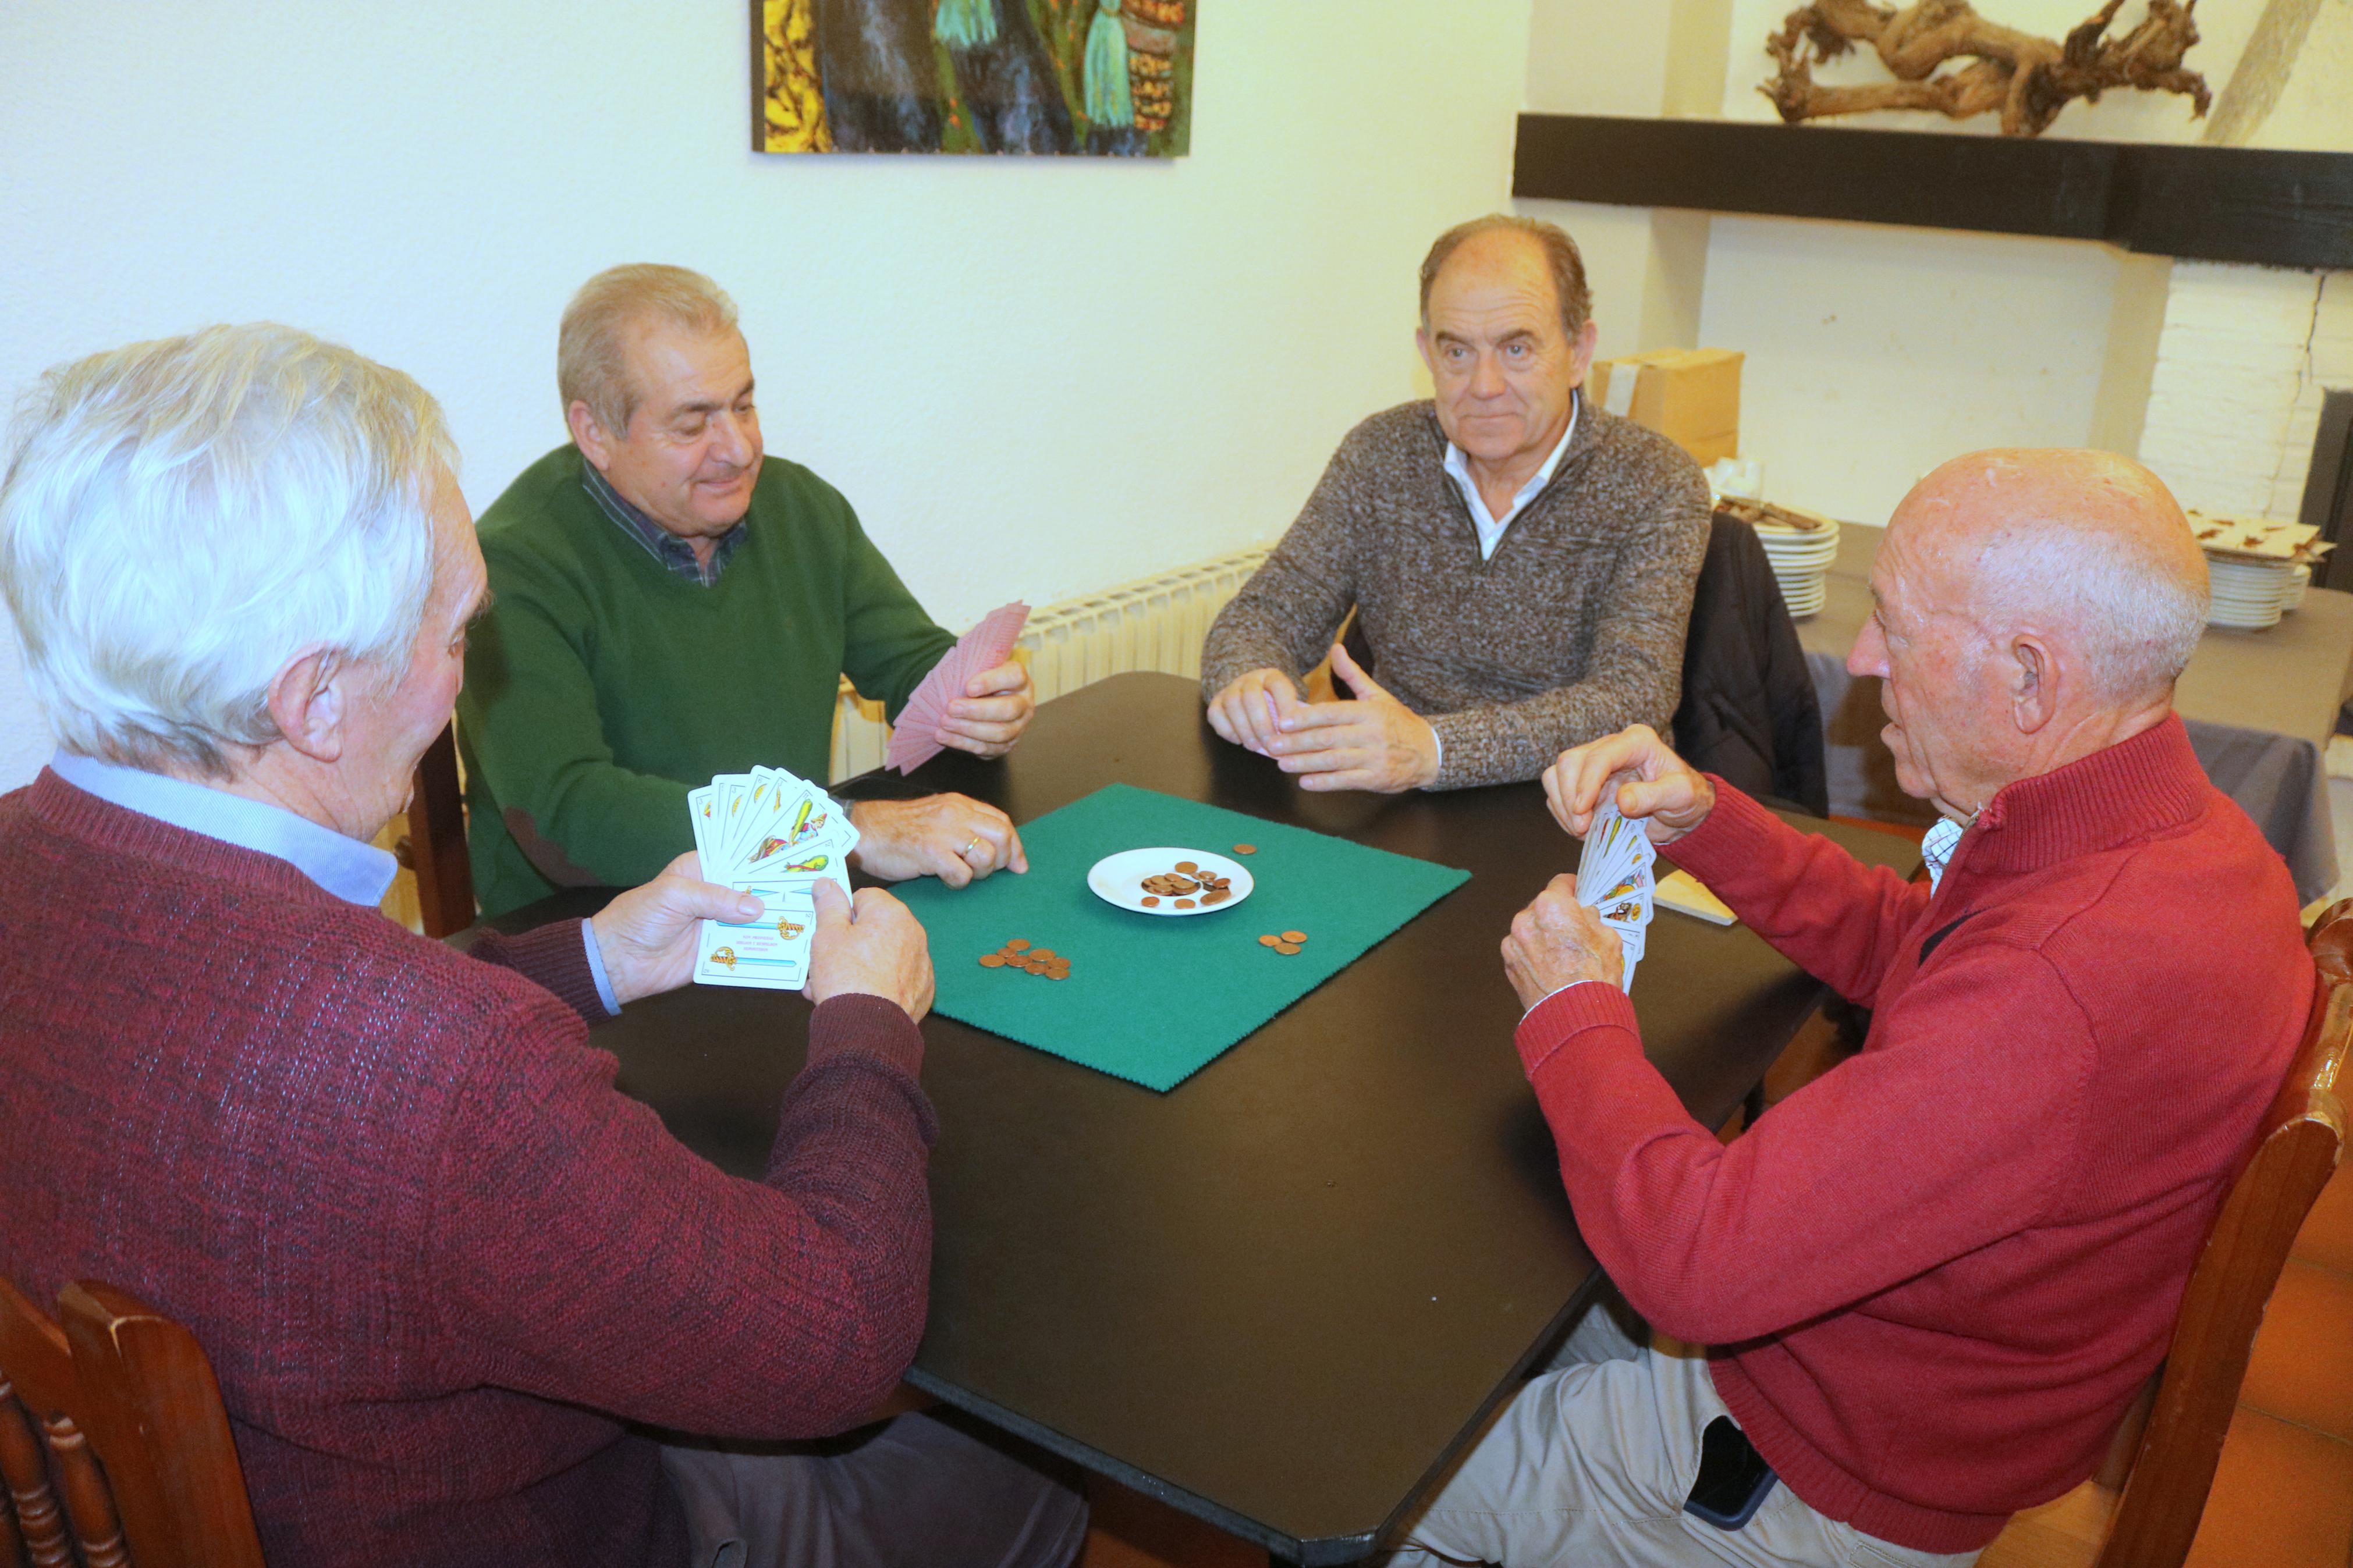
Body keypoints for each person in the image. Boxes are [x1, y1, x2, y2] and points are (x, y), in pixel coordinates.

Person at [0, 324, 1084, 1568]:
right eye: (455, 634)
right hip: (541, 1531)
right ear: (310, 700)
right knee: (1026, 1474)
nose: (463, 679)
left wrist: (603, 956)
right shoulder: (444, 1072)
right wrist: (863, 1023)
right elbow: (832, 1341)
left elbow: (310, 1040)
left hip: (262, 1488)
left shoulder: (32, 855)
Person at [1387, 449, 2316, 1566]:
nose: (1863, 661)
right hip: (1896, 1381)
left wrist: (1574, 1006)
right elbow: (1910, 950)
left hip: (1807, 1473)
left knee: (1355, 1456)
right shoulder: (2190, 843)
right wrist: (1702, 821)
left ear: (2030, 677)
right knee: (1473, 1292)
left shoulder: (2060, 987)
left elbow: (1693, 1256)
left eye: (1895, 629)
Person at [460, 263, 1035, 917]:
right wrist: (843, 832)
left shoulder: (800, 508)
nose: (737, 449)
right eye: (691, 423)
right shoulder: (513, 565)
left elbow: (910, 663)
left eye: (743, 405)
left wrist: (978, 697)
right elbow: (572, 814)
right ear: (595, 432)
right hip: (597, 942)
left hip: (782, 900)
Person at [1199, 214, 1710, 794]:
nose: (1484, 384)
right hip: (1397, 806)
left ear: (1577, 350)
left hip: (1575, 816)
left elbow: (1631, 697)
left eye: (1515, 348)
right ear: (1426, 352)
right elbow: (1263, 614)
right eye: (1457, 352)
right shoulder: (1381, 453)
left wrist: (1436, 750)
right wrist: (1249, 680)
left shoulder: (1656, 482)